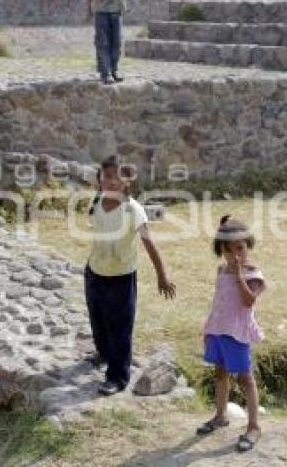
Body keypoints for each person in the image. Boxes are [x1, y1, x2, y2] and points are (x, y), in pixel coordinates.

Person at [84, 155, 176, 395]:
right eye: (106, 176)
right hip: (95, 272)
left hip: (121, 277)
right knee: (98, 319)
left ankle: (118, 376)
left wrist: (162, 276)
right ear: (100, 180)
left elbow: (150, 244)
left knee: (120, 328)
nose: (111, 181)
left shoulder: (133, 210)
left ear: (127, 181)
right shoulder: (97, 201)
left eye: (117, 177)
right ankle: (103, 354)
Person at [196, 215, 267, 453]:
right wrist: (209, 329)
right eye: (229, 251)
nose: (235, 255)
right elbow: (219, 302)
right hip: (218, 329)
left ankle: (254, 425)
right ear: (221, 252)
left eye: (240, 248)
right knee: (220, 373)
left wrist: (239, 275)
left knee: (245, 378)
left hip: (237, 333)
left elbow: (248, 301)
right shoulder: (221, 270)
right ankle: (220, 415)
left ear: (248, 245)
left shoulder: (253, 274)